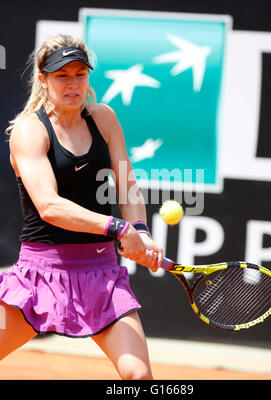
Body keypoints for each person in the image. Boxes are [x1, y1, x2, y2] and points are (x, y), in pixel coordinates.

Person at [0, 34, 163, 380]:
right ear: (43, 80)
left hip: (102, 276)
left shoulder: (104, 118)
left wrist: (143, 232)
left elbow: (127, 186)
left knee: (139, 376)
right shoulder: (29, 131)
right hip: (40, 276)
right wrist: (120, 228)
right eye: (62, 76)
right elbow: (49, 207)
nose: (72, 84)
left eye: (80, 74)